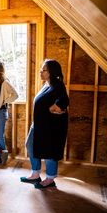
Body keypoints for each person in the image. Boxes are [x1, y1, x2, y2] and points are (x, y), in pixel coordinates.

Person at [20, 59, 69, 189]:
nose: (40, 72)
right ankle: (35, 174)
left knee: (49, 152)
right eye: (41, 69)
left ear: (52, 72)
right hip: (38, 125)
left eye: (44, 70)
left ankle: (50, 179)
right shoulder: (47, 84)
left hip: (50, 127)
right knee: (30, 145)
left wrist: (54, 108)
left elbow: (64, 101)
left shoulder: (58, 85)